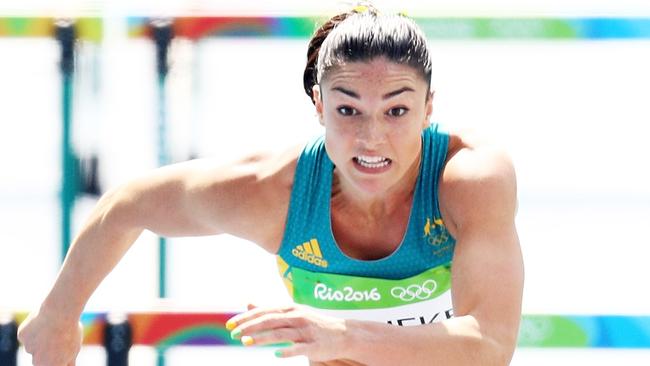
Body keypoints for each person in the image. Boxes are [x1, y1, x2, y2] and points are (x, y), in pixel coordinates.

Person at [18, 5, 523, 366]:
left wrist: (342, 334)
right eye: (348, 109)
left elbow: (489, 345)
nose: (373, 137)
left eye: (397, 110)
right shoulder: (272, 194)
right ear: (318, 105)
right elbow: (127, 205)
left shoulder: (468, 179)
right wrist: (59, 315)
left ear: (429, 107)